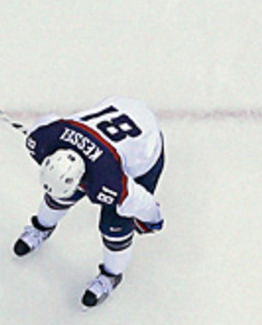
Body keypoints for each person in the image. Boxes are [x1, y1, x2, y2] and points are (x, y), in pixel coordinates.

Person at [13, 96, 165, 307]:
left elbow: (141, 202)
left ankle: (111, 276)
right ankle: (41, 227)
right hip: (119, 111)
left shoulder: (109, 182)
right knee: (59, 196)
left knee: (115, 226)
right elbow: (48, 122)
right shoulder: (44, 139)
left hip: (144, 150)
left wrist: (152, 220)